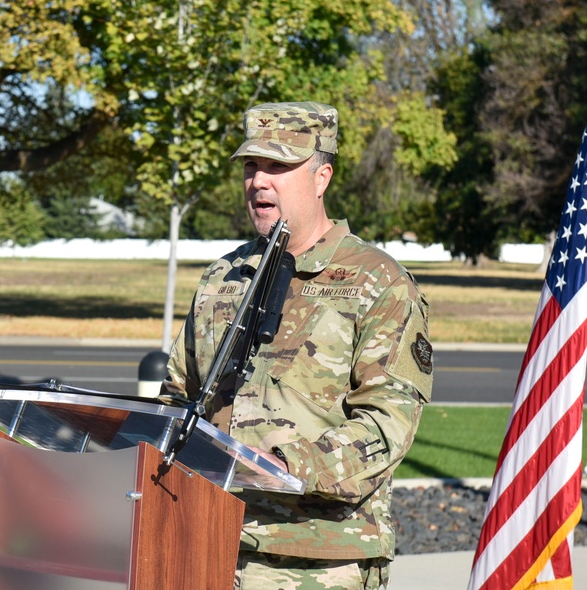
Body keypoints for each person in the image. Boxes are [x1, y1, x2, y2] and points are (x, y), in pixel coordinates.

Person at [160, 102, 433, 590]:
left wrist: (286, 467)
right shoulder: (223, 277)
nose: (259, 182)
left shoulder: (378, 281)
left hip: (315, 557)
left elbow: (388, 425)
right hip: (206, 539)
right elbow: (177, 397)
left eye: (278, 166)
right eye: (251, 166)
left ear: (321, 176)